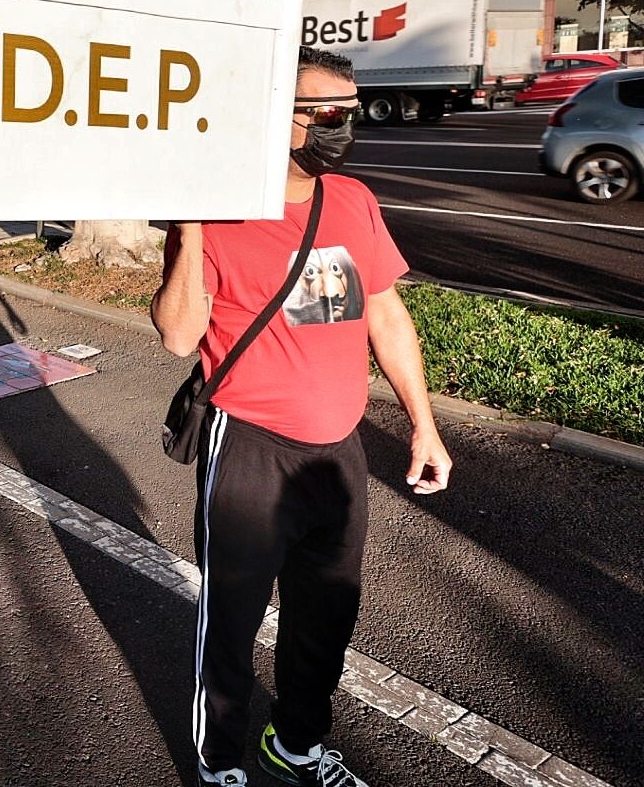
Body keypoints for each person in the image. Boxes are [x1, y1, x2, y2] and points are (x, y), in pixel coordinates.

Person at [151, 48, 453, 787]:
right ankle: (220, 760)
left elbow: (386, 314)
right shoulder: (218, 213)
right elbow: (178, 335)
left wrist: (424, 422)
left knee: (327, 617)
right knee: (231, 621)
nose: (339, 127)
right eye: (323, 112)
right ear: (272, 117)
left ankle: (297, 745)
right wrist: (190, 230)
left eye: (347, 112)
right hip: (249, 447)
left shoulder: (352, 200)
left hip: (337, 452)